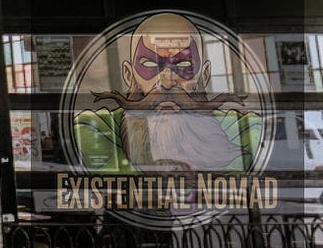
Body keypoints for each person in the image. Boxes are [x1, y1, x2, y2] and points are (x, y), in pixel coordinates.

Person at [74, 12, 259, 173]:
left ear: (204, 75)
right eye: (151, 64)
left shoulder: (244, 129)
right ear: (129, 75)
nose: (167, 82)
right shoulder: (96, 128)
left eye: (183, 64)